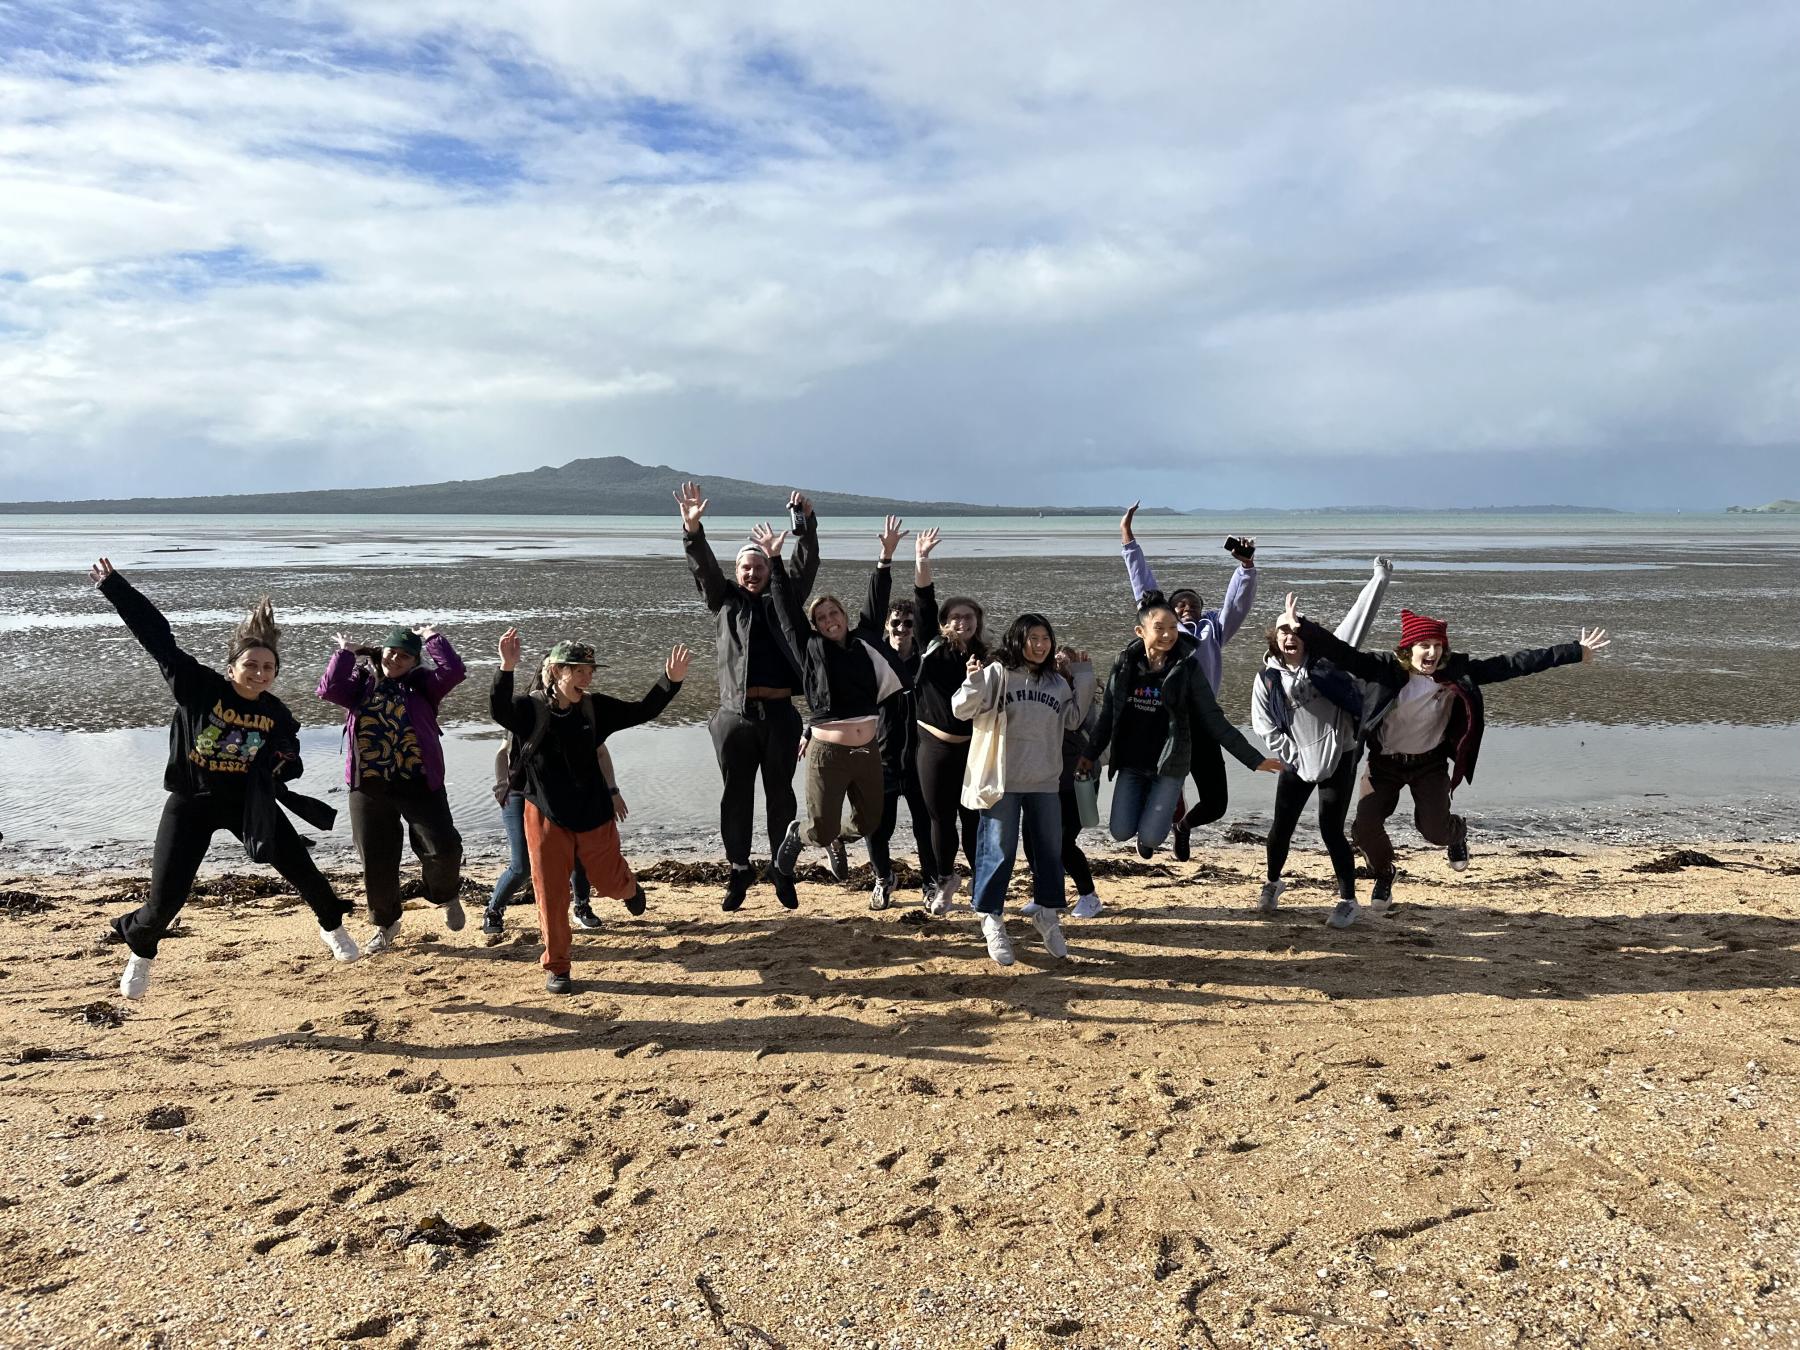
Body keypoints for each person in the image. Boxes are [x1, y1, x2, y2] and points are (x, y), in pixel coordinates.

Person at [89, 558, 357, 1000]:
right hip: (190, 802)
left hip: (246, 804)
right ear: (233, 666)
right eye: (251, 664)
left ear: (275, 674)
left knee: (304, 872)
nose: (259, 673)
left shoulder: (276, 713)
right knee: (165, 901)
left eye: (268, 668)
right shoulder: (198, 686)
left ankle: (333, 929)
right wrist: (116, 587)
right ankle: (140, 952)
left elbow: (292, 759)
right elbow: (158, 637)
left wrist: (281, 764)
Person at [1279, 593, 1611, 923]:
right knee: (1364, 829)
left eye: (1437, 646)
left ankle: (1458, 834)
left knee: (1435, 832)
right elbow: (1342, 653)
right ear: (1409, 649)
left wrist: (1574, 652)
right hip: (1385, 765)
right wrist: (1303, 628)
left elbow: (1513, 664)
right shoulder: (1383, 670)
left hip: (1429, 765)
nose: (1432, 652)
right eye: (1424, 646)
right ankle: (1385, 873)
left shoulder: (1456, 672)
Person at [490, 630, 688, 994]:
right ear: (555, 671)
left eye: (589, 671)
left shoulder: (595, 709)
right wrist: (506, 668)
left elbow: (643, 710)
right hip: (546, 815)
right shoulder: (529, 709)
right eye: (578, 670)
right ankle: (558, 966)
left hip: (594, 813)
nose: (587, 677)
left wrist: (670, 682)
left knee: (608, 883)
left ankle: (629, 888)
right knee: (550, 895)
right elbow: (498, 709)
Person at [677, 480, 817, 911]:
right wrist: (693, 531)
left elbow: (805, 567)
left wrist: (806, 526)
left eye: (759, 567)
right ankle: (739, 871)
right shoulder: (725, 601)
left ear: (769, 571)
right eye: (746, 568)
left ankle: (781, 869)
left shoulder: (784, 599)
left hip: (779, 715)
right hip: (733, 718)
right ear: (737, 573)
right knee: (735, 796)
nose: (753, 573)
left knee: (781, 795)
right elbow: (704, 571)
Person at [767, 516, 907, 908]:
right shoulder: (808, 648)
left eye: (834, 613)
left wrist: (885, 557)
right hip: (827, 752)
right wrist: (775, 561)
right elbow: (785, 610)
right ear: (815, 625)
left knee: (869, 822)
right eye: (822, 617)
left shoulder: (864, 641)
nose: (830, 620)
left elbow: (877, 601)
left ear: (844, 616)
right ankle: (800, 835)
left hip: (868, 751)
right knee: (822, 826)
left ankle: (836, 840)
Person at [1080, 592, 1282, 858]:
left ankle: (1164, 809)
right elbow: (1108, 715)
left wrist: (1253, 759)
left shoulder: (1187, 667)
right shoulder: (1125, 665)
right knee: (1119, 832)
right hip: (1132, 763)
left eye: (1173, 628)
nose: (1168, 634)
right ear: (1141, 631)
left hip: (1169, 766)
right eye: (1160, 628)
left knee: (1152, 836)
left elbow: (1214, 717)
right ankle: (1153, 804)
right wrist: (1089, 755)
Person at [1249, 558, 1392, 924]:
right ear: (1274, 639)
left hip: (1338, 758)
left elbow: (1359, 618)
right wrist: (1292, 754)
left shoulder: (1330, 659)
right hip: (1296, 762)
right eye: (1282, 631)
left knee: (1332, 831)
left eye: (1295, 630)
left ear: (1306, 636)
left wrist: (1379, 578)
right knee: (1281, 828)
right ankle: (1272, 882)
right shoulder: (1268, 677)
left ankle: (1347, 900)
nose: (1289, 636)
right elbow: (1264, 726)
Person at [951, 614, 1095, 967]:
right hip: (1002, 781)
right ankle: (990, 917)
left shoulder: (1055, 683)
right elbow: (960, 709)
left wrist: (1084, 675)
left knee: (1049, 852)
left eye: (1046, 637)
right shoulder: (997, 673)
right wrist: (972, 681)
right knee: (998, 851)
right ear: (1018, 639)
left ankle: (1047, 914)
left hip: (1045, 781)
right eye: (1033, 637)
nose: (1041, 643)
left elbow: (1075, 719)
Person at [1118, 503, 1259, 857]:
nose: (1185, 607)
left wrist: (1245, 566)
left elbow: (1236, 606)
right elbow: (1144, 585)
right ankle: (1149, 834)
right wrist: (1128, 538)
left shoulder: (1214, 630)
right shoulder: (1165, 632)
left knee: (1217, 802)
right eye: (1178, 604)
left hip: (1205, 723)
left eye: (1191, 603)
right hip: (1164, 722)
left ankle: (1184, 827)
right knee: (1161, 785)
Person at [316, 625, 467, 953]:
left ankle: (444, 894)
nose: (396, 659)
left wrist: (432, 638)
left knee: (445, 847)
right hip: (369, 786)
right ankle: (386, 924)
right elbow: (327, 689)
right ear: (381, 651)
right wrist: (346, 654)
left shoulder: (424, 685)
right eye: (392, 651)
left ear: (414, 662)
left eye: (405, 655)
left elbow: (454, 671)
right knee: (377, 861)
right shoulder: (360, 685)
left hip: (419, 781)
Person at [481, 655, 626, 940]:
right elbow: (502, 752)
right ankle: (494, 910)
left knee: (578, 852)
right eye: (554, 670)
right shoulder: (525, 710)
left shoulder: (579, 711)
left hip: (559, 796)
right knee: (522, 864)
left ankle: (581, 906)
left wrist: (612, 791)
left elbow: (600, 753)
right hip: (520, 794)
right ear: (549, 674)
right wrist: (501, 783)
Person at [861, 527, 942, 908]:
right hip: (883, 757)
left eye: (907, 624)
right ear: (887, 627)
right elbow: (842, 698)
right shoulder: (874, 660)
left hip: (921, 758)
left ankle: (930, 882)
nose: (901, 629)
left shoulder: (926, 660)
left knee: (926, 827)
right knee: (878, 827)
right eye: (895, 624)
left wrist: (921, 562)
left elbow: (927, 606)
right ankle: (883, 877)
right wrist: (814, 730)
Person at [913, 573, 988, 915]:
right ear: (944, 622)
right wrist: (921, 561)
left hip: (973, 750)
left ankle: (980, 880)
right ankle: (946, 880)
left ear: (977, 622)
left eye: (968, 617)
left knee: (973, 819)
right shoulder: (931, 646)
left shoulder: (989, 657)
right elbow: (924, 602)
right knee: (939, 819)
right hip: (935, 747)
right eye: (955, 617)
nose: (962, 622)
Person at [1022, 644, 1102, 918]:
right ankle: (1045, 896)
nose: (1058, 665)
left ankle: (1089, 896)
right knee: (1031, 840)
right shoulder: (1040, 692)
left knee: (1063, 844)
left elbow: (1084, 728)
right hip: (1043, 781)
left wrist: (1083, 677)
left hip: (1078, 784)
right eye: (1055, 661)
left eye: (1065, 663)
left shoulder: (1085, 701)